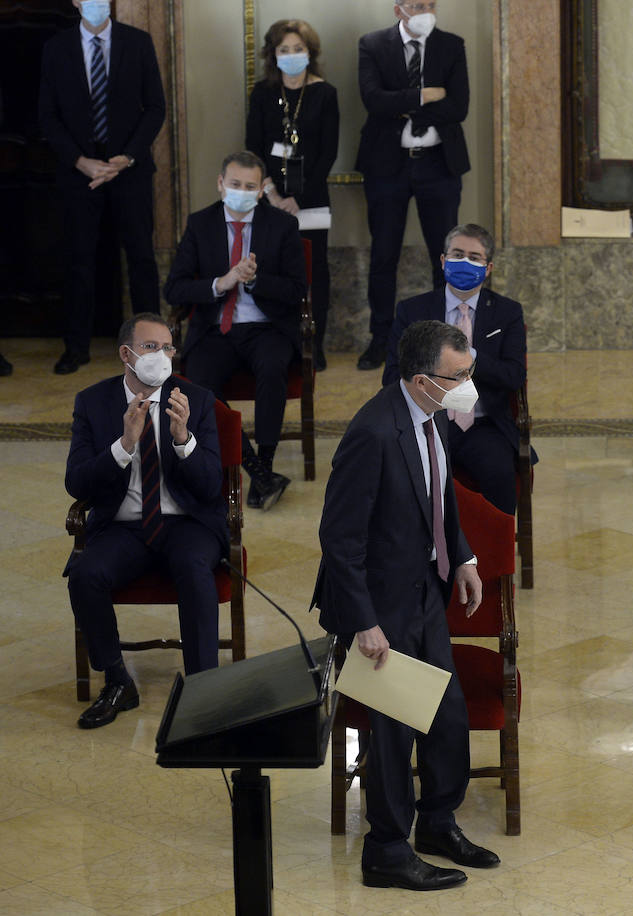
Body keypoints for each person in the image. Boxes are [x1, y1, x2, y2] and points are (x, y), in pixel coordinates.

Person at [313, 320, 499, 891]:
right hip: (378, 606)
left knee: (445, 716)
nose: (470, 385)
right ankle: (387, 850)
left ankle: (437, 822)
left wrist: (462, 557)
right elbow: (339, 539)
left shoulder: (431, 414)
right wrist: (363, 622)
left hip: (423, 590)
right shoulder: (372, 433)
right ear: (421, 380)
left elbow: (439, 498)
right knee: (392, 732)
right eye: (459, 376)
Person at [63, 313, 227, 729]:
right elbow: (76, 481)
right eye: (153, 347)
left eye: (169, 347)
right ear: (127, 354)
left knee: (193, 567)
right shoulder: (93, 403)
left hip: (186, 522)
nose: (164, 355)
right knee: (85, 574)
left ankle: (204, 687)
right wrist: (123, 445)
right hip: (124, 527)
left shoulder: (197, 399)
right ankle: (118, 681)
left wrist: (183, 438)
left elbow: (212, 488)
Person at [164, 151, 307, 512]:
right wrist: (220, 282)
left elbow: (295, 291)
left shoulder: (282, 225)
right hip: (215, 329)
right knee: (198, 384)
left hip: (266, 326)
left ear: (261, 190)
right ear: (220, 184)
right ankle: (256, 470)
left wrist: (256, 280)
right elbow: (175, 289)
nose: (241, 191)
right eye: (235, 184)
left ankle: (268, 462)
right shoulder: (200, 224)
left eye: (250, 186)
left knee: (273, 368)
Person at [38, 0, 165, 375]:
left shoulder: (138, 42)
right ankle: (76, 347)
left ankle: (152, 348)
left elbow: (155, 107)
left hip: (130, 169)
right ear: (75, 1)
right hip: (80, 172)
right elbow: (48, 114)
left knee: (141, 258)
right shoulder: (56, 47)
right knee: (79, 260)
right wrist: (80, 161)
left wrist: (126, 157)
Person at [382, 223, 532, 515]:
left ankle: (494, 556)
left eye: (474, 258)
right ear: (443, 260)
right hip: (426, 421)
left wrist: (468, 356)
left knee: (500, 475)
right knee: (410, 481)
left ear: (487, 268)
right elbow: (392, 376)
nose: (465, 263)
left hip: (483, 423)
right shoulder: (412, 311)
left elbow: (514, 375)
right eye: (457, 254)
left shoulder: (507, 312)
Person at [355, 1, 471, 371]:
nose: (424, 9)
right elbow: (373, 100)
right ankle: (380, 338)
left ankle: (445, 339)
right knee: (384, 254)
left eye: (429, 3)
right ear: (398, 9)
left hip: (438, 164)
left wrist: (402, 105)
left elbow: (459, 107)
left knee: (444, 256)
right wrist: (424, 95)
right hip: (387, 166)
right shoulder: (373, 44)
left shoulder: (451, 45)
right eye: (416, 3)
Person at [245, 18, 339, 369]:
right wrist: (269, 193)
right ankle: (280, 342)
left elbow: (328, 153)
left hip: (311, 199)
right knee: (273, 271)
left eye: (298, 49)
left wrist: (297, 199)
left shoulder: (325, 94)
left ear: (309, 53)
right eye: (285, 50)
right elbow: (253, 147)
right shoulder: (263, 93)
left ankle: (317, 345)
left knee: (317, 271)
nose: (292, 55)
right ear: (274, 54)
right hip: (268, 198)